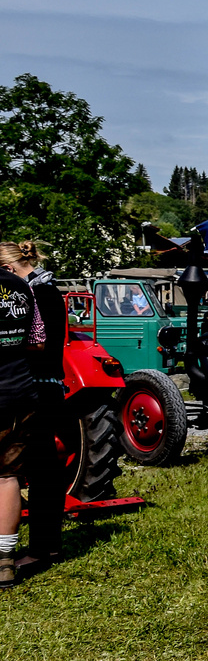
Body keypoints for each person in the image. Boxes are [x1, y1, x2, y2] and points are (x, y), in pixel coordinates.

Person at [0, 242, 64, 572]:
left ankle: (40, 549)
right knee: (45, 470)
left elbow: (37, 345)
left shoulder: (35, 293)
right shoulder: (46, 289)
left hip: (35, 385)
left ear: (8, 270)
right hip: (48, 384)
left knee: (39, 472)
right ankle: (47, 545)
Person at [0, 256, 44, 588]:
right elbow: (37, 340)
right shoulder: (22, 286)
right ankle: (5, 564)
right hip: (20, 390)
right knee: (7, 476)